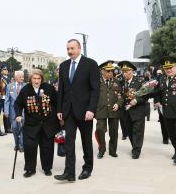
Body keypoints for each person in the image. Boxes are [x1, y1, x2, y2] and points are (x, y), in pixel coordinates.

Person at [54, 39, 100, 182]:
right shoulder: (63, 65)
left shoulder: (91, 64)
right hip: (68, 112)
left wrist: (91, 109)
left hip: (85, 112)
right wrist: (59, 109)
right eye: (67, 48)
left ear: (79, 48)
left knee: (86, 141)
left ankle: (87, 168)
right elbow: (61, 89)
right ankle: (69, 172)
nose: (69, 51)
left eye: (72, 48)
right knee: (69, 141)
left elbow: (95, 89)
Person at [15, 69, 60, 177]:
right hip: (31, 124)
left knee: (47, 147)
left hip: (47, 123)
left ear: (42, 79)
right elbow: (18, 104)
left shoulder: (49, 88)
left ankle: (47, 168)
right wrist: (18, 115)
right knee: (30, 147)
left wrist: (58, 115)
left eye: (38, 78)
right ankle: (30, 169)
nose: (36, 81)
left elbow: (57, 102)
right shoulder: (25, 89)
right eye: (34, 78)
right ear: (30, 79)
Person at [153, 56, 176, 165]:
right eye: (166, 68)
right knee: (171, 135)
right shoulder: (162, 79)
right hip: (167, 112)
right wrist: (143, 95)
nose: (168, 70)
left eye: (170, 67)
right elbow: (156, 92)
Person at [118, 61, 147, 159]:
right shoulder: (121, 82)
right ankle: (134, 146)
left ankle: (136, 150)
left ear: (132, 71)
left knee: (138, 131)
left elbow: (145, 96)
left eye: (126, 71)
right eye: (123, 71)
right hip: (126, 112)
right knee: (129, 130)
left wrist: (136, 100)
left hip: (137, 111)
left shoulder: (139, 81)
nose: (124, 73)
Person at [94, 61, 122, 159]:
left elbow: (120, 96)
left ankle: (112, 150)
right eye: (108, 71)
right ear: (102, 71)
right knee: (100, 130)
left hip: (114, 111)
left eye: (112, 71)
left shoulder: (116, 81)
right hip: (100, 110)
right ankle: (102, 149)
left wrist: (118, 104)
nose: (111, 73)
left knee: (114, 131)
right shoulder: (96, 81)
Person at [4, 70, 26, 152]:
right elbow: (7, 100)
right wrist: (6, 111)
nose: (22, 78)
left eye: (23, 77)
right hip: (13, 111)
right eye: (20, 77)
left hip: (23, 111)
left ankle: (21, 145)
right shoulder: (10, 86)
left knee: (22, 128)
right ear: (16, 77)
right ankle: (17, 143)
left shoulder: (26, 86)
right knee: (15, 128)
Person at [0, 64, 12, 134]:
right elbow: (2, 89)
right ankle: (7, 128)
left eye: (7, 70)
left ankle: (9, 127)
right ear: (1, 72)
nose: (6, 71)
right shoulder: (2, 80)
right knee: (6, 112)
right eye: (4, 70)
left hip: (9, 97)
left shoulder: (8, 79)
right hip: (4, 98)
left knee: (9, 112)